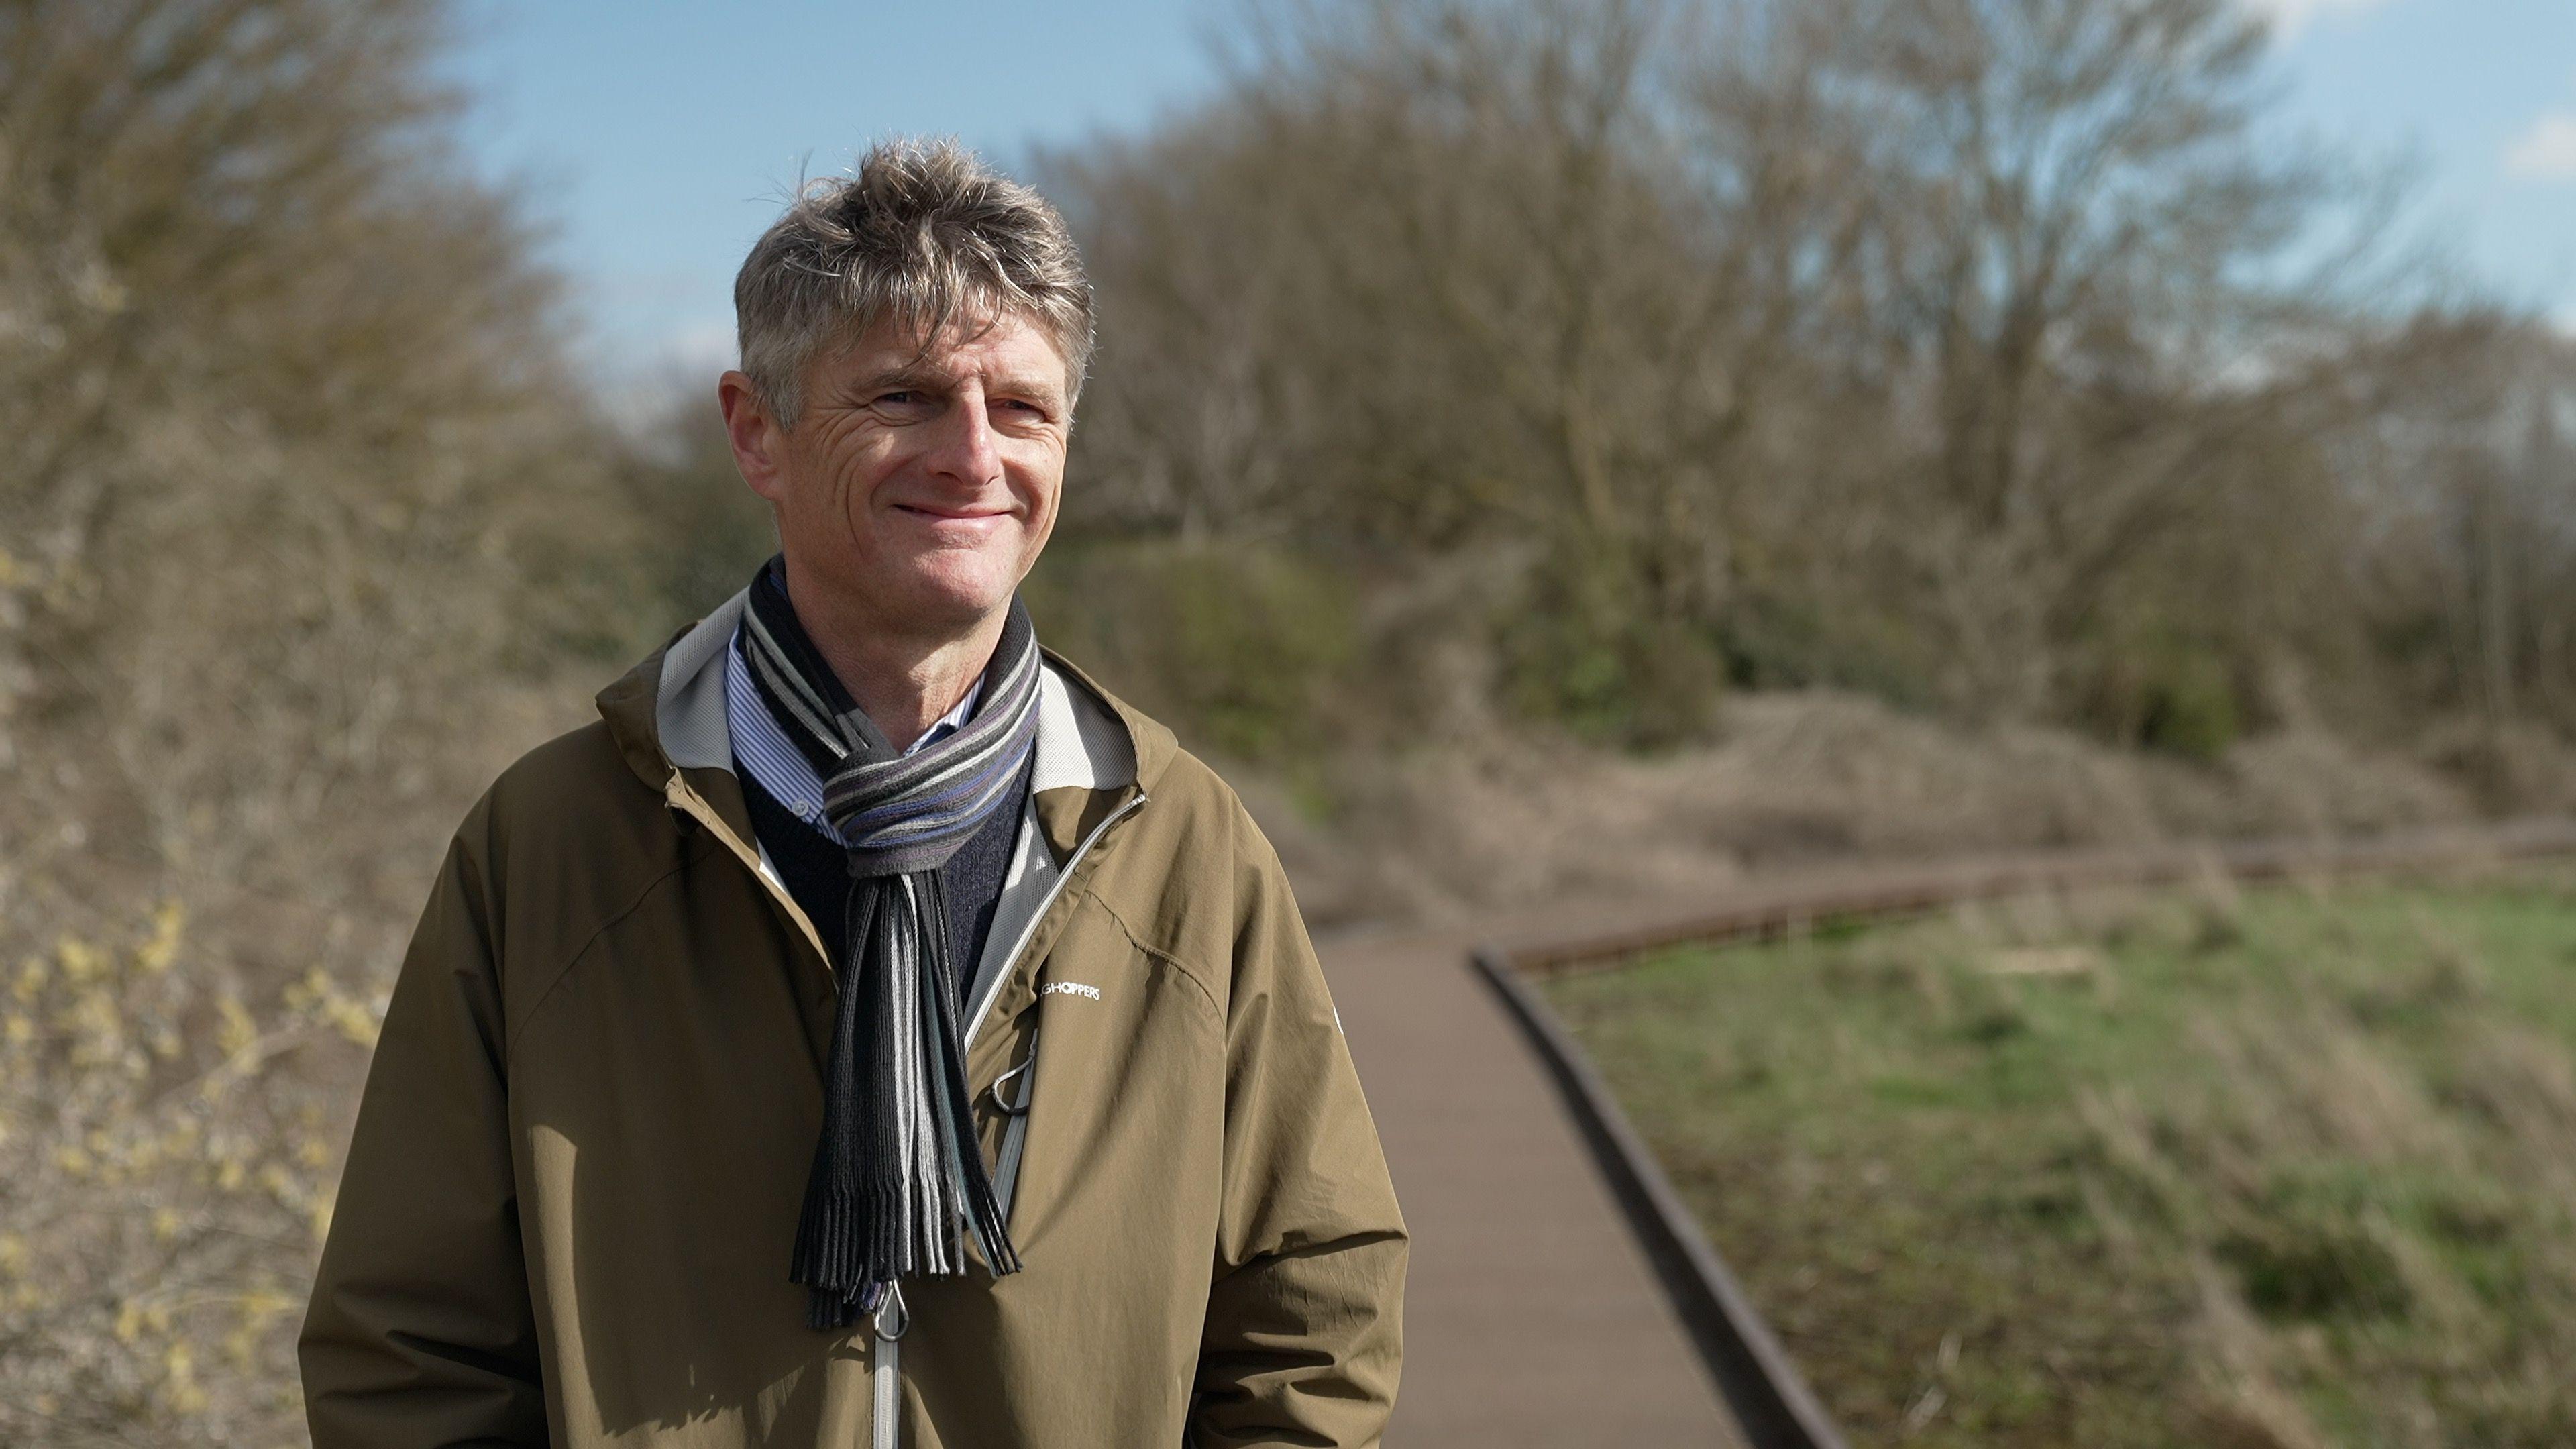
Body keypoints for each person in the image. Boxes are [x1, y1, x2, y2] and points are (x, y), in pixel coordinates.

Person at [298, 137, 1407, 1448]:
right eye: (905, 397)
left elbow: (1317, 1298)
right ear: (755, 431)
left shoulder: (1178, 839)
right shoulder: (552, 846)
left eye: (1025, 408)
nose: (974, 456)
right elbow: (409, 1350)